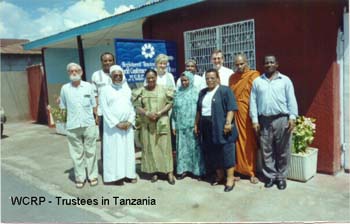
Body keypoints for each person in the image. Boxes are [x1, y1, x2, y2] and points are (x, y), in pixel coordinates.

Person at [249, 55, 298, 190]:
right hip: (264, 120)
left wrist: (292, 117)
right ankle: (270, 176)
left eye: (272, 62)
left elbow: (291, 99)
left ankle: (281, 177)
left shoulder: (285, 80)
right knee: (267, 150)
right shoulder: (257, 82)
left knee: (283, 150)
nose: (269, 64)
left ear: (277, 64)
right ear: (263, 65)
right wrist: (254, 120)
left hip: (282, 119)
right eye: (266, 63)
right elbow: (252, 102)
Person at [195, 68, 239, 192]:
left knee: (227, 151)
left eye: (212, 78)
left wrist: (228, 123)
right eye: (207, 78)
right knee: (213, 152)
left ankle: (230, 179)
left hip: (222, 126)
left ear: (218, 79)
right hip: (206, 126)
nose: (209, 80)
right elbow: (199, 110)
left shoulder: (225, 91)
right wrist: (196, 124)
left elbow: (231, 108)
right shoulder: (202, 92)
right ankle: (220, 176)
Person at [133, 69, 176, 185]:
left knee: (165, 148)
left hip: (162, 122)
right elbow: (137, 106)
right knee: (150, 148)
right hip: (147, 124)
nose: (151, 80)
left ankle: (169, 172)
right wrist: (147, 113)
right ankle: (154, 171)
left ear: (156, 77)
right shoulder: (141, 91)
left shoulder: (164, 89)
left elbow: (170, 103)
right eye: (148, 78)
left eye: (153, 77)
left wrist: (160, 112)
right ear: (146, 79)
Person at [60, 62, 98, 188]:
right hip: (72, 125)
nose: (74, 72)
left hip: (88, 124)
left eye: (76, 70)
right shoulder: (65, 88)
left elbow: (94, 105)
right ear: (68, 73)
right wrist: (64, 123)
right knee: (77, 154)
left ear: (81, 72)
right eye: (71, 71)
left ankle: (92, 176)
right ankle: (80, 178)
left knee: (91, 152)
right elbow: (63, 107)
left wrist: (96, 119)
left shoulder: (88, 86)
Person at [99, 65, 137, 184]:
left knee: (128, 151)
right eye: (115, 75)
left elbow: (132, 107)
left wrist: (130, 121)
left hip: (127, 126)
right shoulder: (105, 90)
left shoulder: (127, 89)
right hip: (113, 128)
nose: (118, 77)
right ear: (110, 76)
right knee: (114, 152)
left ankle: (129, 174)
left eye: (120, 75)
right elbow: (105, 109)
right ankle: (117, 176)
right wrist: (116, 123)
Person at [229, 53, 260, 184]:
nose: (239, 66)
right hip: (235, 113)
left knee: (248, 141)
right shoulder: (232, 77)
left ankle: (251, 171)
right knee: (236, 141)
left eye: (242, 63)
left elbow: (258, 96)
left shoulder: (254, 76)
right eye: (237, 64)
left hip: (248, 113)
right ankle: (238, 170)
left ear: (247, 62)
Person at [172, 71, 205, 180]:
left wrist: (197, 124)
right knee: (182, 149)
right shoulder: (177, 93)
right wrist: (173, 125)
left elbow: (200, 110)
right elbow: (174, 111)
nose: (184, 82)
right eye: (182, 81)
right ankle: (183, 170)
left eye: (186, 80)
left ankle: (197, 171)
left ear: (191, 80)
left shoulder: (197, 92)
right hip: (180, 125)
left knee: (195, 149)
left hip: (192, 126)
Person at [91, 52, 115, 168]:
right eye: (105, 61)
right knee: (105, 140)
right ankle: (107, 167)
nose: (108, 63)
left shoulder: (118, 73)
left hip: (117, 113)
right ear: (101, 62)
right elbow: (94, 95)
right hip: (103, 113)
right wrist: (95, 113)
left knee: (117, 139)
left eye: (110, 60)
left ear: (113, 61)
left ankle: (118, 165)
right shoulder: (96, 75)